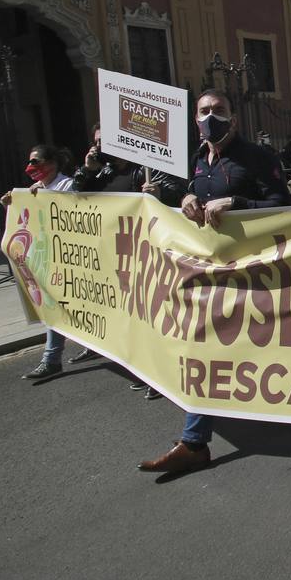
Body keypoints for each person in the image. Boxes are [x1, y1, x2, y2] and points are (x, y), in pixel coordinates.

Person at [137, 89, 291, 476]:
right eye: (204, 111)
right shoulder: (193, 161)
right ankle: (194, 442)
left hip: (254, 273)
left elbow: (283, 205)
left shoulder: (257, 157)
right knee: (204, 345)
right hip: (208, 275)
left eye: (219, 111)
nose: (211, 117)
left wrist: (237, 204)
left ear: (234, 118)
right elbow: (187, 203)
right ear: (195, 120)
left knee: (250, 344)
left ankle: (202, 435)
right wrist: (178, 197)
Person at [69, 124, 187, 391]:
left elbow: (175, 192)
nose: (100, 147)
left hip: (146, 254)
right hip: (114, 256)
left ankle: (162, 373)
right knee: (130, 318)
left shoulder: (144, 168)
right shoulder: (104, 172)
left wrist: (158, 193)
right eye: (96, 142)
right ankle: (143, 366)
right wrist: (87, 169)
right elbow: (74, 198)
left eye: (105, 141)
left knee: (152, 315)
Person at [1, 145, 76, 380]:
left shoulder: (67, 186)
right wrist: (15, 204)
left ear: (53, 163)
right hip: (50, 262)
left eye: (37, 161)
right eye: (30, 161)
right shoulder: (35, 190)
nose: (32, 167)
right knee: (54, 306)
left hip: (72, 260)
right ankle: (51, 360)